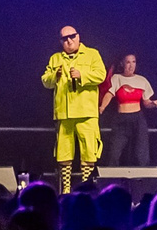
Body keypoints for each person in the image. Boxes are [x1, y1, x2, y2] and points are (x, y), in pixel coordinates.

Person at [42, 24, 108, 194]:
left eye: (72, 36)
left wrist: (82, 75)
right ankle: (65, 189)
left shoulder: (92, 54)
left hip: (86, 112)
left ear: (78, 37)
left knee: (89, 151)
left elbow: (101, 75)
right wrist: (54, 76)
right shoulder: (55, 58)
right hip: (64, 113)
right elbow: (45, 81)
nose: (69, 41)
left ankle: (86, 187)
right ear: (60, 41)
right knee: (63, 152)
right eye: (65, 38)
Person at [102, 54, 157, 170]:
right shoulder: (116, 78)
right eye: (128, 62)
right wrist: (102, 107)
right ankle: (111, 178)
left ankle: (143, 178)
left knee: (141, 152)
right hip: (121, 119)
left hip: (137, 119)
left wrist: (154, 103)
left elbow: (146, 102)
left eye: (133, 62)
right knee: (114, 152)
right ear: (122, 64)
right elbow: (109, 94)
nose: (131, 66)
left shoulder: (142, 80)